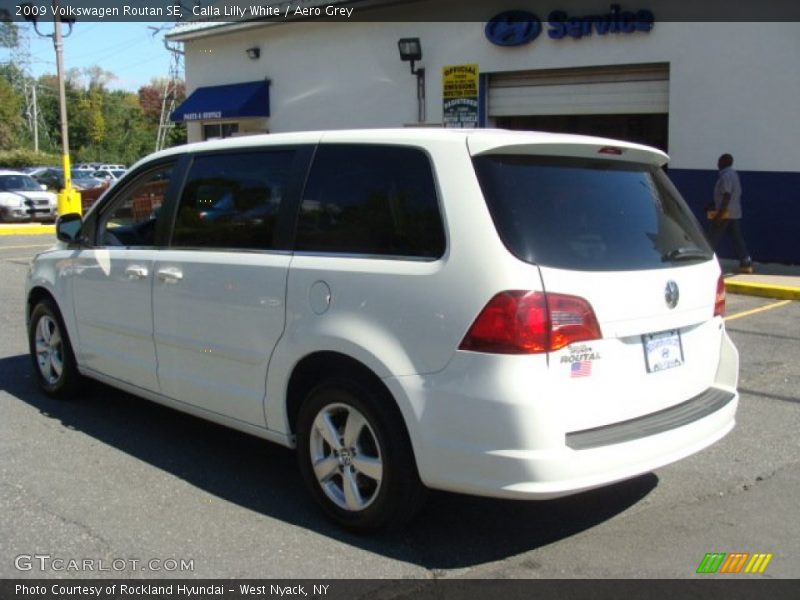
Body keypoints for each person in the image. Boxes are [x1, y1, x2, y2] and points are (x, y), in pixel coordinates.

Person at [707, 153, 753, 274]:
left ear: (724, 162)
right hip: (734, 213)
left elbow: (727, 195)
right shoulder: (733, 174)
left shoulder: (726, 176)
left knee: (712, 238)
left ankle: (704, 261)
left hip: (725, 213)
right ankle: (746, 262)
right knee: (737, 238)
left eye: (719, 161)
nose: (717, 163)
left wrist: (719, 214)